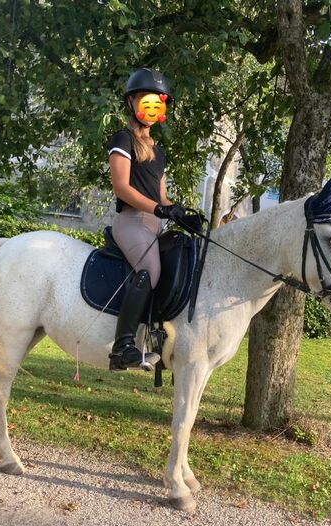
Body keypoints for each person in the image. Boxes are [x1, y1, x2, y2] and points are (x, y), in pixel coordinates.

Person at [107, 68, 200, 371]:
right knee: (150, 267)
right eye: (146, 100)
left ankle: (161, 338)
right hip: (131, 221)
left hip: (154, 223)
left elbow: (162, 197)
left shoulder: (158, 152)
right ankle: (122, 348)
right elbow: (121, 186)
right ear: (132, 101)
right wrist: (158, 209)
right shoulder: (123, 138)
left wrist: (180, 212)